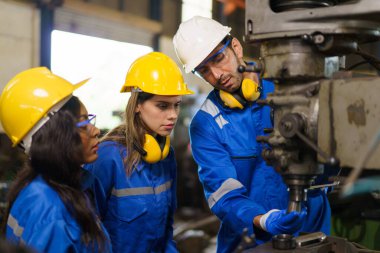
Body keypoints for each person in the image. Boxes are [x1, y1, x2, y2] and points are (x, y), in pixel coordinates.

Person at [173, 16, 331, 252]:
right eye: (204, 71)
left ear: (235, 47)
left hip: (312, 233)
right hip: (248, 240)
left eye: (218, 58)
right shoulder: (205, 124)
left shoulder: (288, 90)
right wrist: (263, 219)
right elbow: (223, 194)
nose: (216, 75)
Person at [84, 52, 194, 253]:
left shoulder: (165, 155)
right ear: (137, 105)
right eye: (162, 106)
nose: (172, 115)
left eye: (176, 105)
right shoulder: (107, 158)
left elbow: (166, 230)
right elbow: (88, 232)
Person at [0, 67, 111, 253]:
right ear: (55, 134)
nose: (96, 131)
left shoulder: (40, 185)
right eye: (84, 123)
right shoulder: (52, 213)